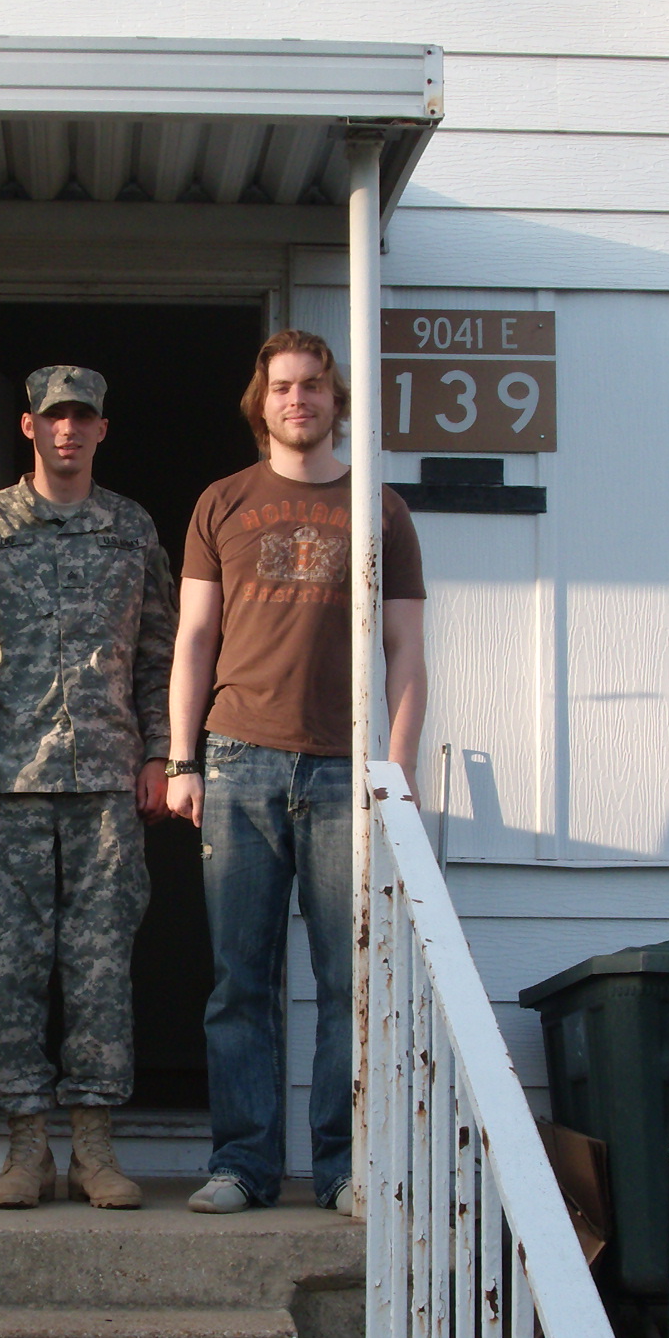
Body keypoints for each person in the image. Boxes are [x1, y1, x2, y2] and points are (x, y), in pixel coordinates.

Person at [165, 330, 427, 1214]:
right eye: (282, 387)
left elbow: (407, 654)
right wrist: (182, 758)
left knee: (349, 979)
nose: (298, 400)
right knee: (241, 980)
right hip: (237, 760)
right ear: (261, 400)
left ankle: (345, 1169)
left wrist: (398, 767)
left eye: (313, 386)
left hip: (343, 774)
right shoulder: (222, 502)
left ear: (334, 400)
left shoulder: (380, 509)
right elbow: (194, 641)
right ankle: (243, 1164)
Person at [0, 364, 176, 1210]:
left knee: (99, 968)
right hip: (9, 784)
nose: (69, 431)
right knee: (8, 965)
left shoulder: (130, 528)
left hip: (108, 785)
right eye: (55, 417)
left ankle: (93, 1150)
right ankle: (25, 1151)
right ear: (29, 427)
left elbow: (157, 652)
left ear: (102, 430)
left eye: (83, 417)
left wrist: (159, 754)